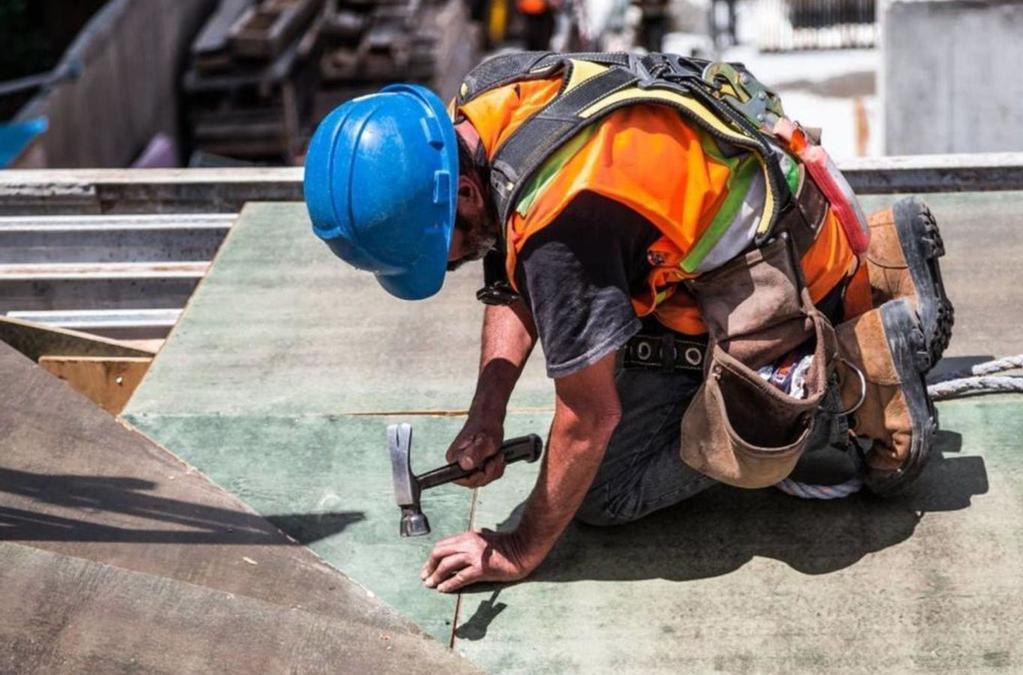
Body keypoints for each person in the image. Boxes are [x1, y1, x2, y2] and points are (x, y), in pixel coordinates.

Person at [303, 52, 954, 593]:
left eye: (435, 253)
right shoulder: (489, 98)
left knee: (606, 492)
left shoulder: (562, 226)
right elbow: (510, 268)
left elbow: (589, 418)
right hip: (789, 213)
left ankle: (855, 376)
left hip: (776, 278)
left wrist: (519, 547)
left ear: (465, 194)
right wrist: (487, 411)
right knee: (595, 338)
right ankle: (882, 264)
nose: (444, 268)